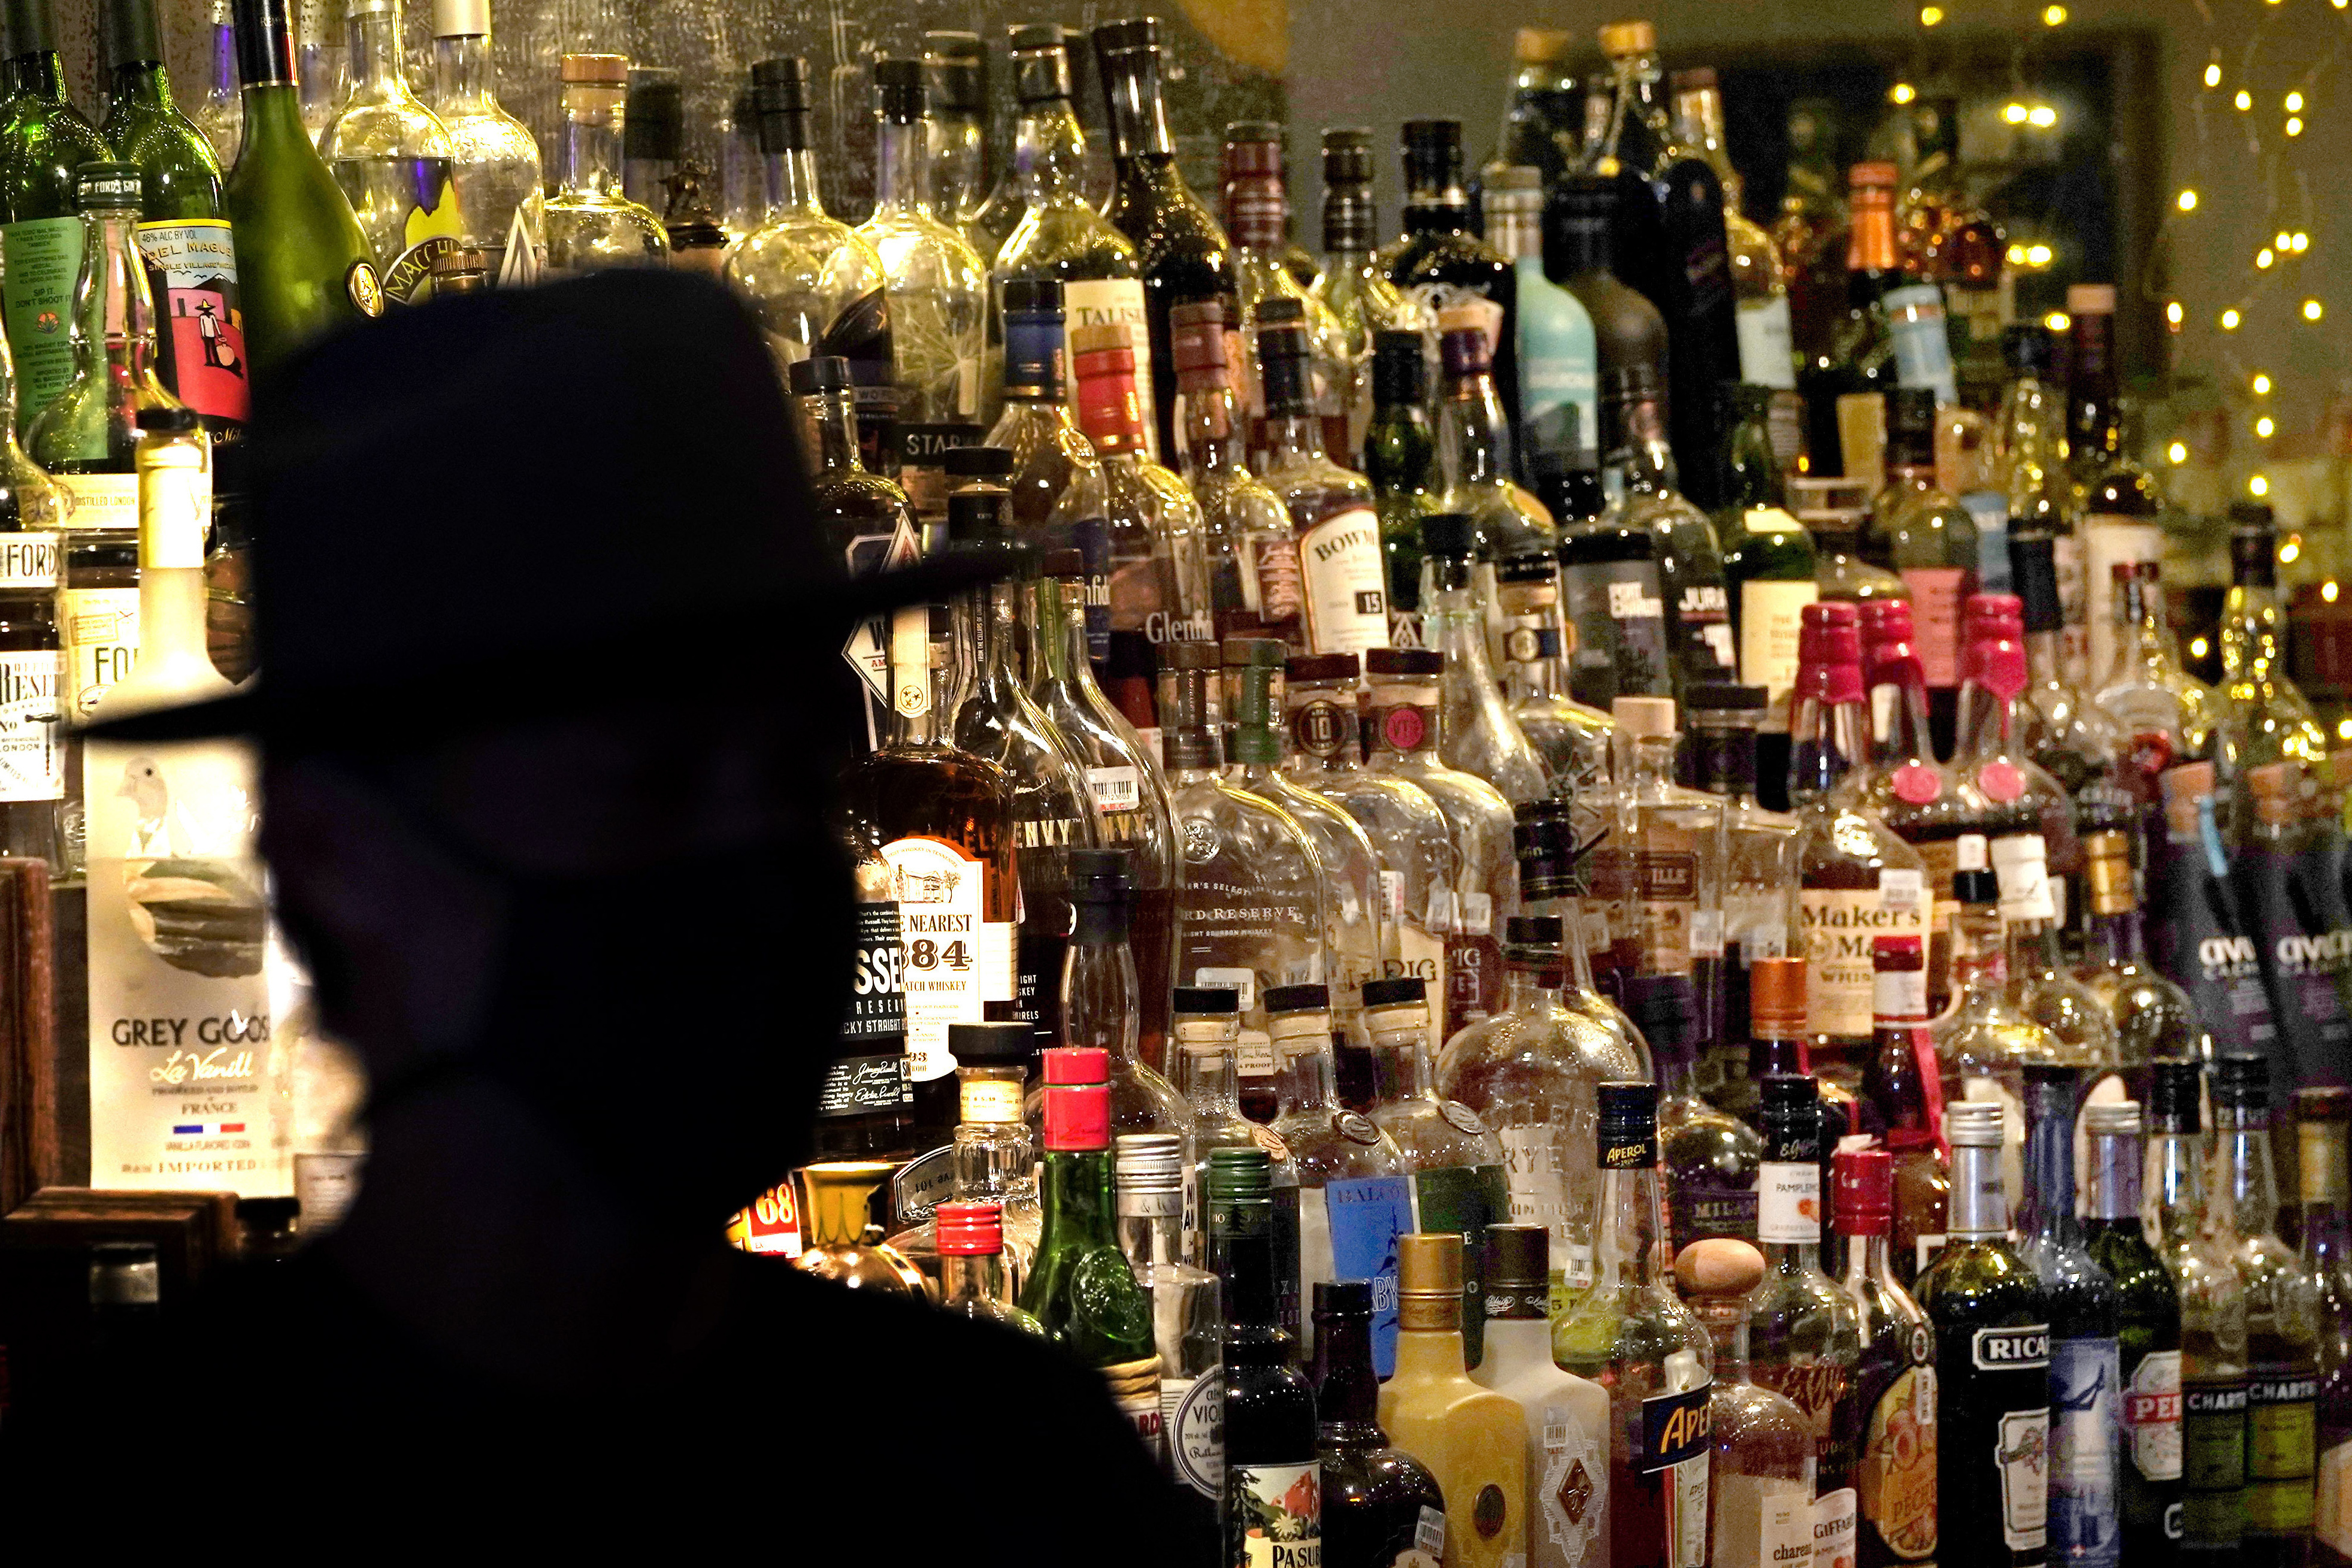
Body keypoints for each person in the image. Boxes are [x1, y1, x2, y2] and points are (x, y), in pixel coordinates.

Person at [9, 272, 1200, 1553]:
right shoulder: (139, 1500)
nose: (746, 872)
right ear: (335, 863)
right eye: (645, 785)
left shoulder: (1008, 1475)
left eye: (789, 783)